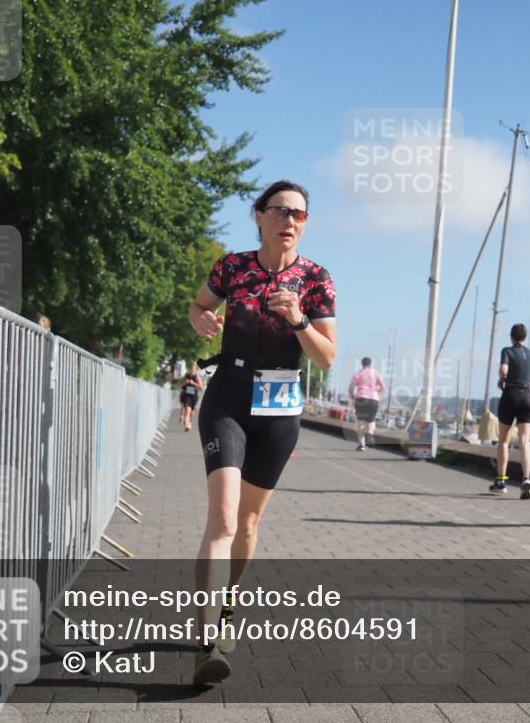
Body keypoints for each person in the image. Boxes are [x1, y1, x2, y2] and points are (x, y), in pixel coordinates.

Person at [187, 180, 337, 685]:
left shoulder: (316, 278)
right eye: (279, 211)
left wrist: (299, 320)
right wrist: (201, 317)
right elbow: (198, 305)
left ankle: (226, 605)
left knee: (248, 525)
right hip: (228, 394)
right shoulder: (232, 267)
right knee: (224, 520)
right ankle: (206, 639)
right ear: (259, 216)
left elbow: (326, 356)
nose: (288, 221)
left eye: (298, 213)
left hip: (278, 407)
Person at [491, 323, 530, 499]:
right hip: (527, 397)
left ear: (511, 336)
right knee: (524, 441)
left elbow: (503, 370)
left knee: (504, 440)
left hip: (511, 395)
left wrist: (502, 380)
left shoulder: (507, 351)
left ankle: (501, 481)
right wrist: (527, 378)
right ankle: (526, 479)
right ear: (525, 336)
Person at [349, 357, 385, 451]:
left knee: (360, 422)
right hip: (373, 399)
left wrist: (352, 395)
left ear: (362, 364)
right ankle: (370, 433)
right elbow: (383, 386)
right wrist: (377, 391)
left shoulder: (358, 374)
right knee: (371, 421)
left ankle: (362, 445)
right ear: (370, 364)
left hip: (361, 398)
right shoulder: (376, 373)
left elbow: (351, 387)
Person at [179, 363, 205, 431]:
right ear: (189, 369)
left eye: (193, 369)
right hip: (187, 395)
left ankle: (189, 422)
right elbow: (180, 385)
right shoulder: (186, 376)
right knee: (187, 409)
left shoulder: (197, 377)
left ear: (196, 369)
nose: (192, 370)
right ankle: (186, 425)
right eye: (191, 368)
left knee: (192, 412)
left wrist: (193, 383)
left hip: (194, 395)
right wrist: (185, 382)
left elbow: (201, 387)